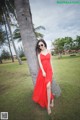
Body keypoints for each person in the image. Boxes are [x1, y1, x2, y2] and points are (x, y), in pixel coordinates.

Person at [32, 39, 55, 115]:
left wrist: (52, 70)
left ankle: (48, 105)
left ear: (44, 44)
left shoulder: (49, 51)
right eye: (39, 46)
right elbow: (40, 64)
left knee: (48, 86)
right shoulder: (39, 54)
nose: (40, 46)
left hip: (49, 71)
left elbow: (50, 61)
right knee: (46, 87)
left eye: (41, 45)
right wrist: (43, 71)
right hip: (43, 72)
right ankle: (51, 101)